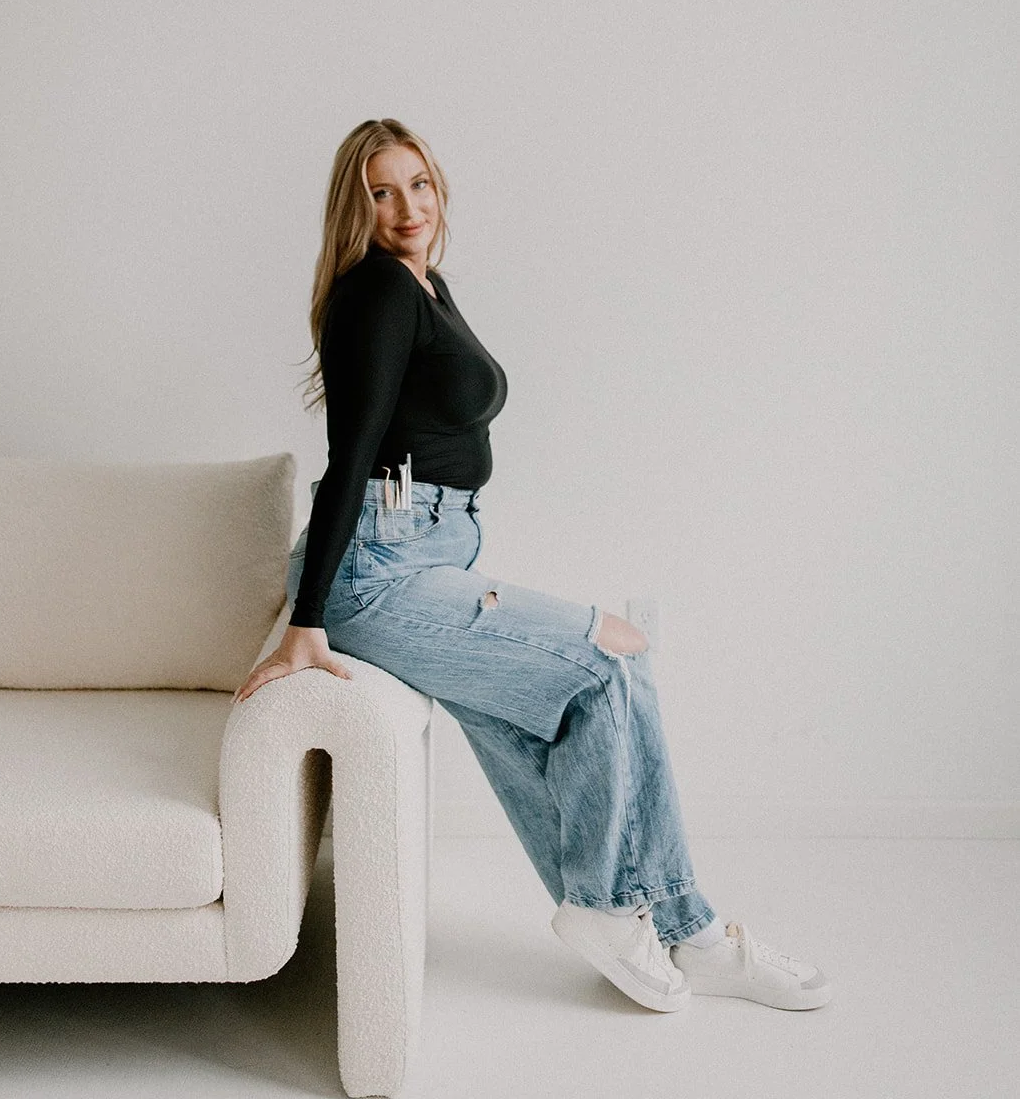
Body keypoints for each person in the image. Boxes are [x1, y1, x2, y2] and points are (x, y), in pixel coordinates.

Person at [234, 117, 832, 1013]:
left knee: (560, 717)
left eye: (419, 185)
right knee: (611, 654)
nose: (406, 208)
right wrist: (308, 620)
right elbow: (348, 456)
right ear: (354, 209)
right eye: (381, 192)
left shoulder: (425, 285)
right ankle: (620, 910)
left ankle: (682, 928)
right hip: (377, 570)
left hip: (432, 548)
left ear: (440, 188)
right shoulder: (379, 294)